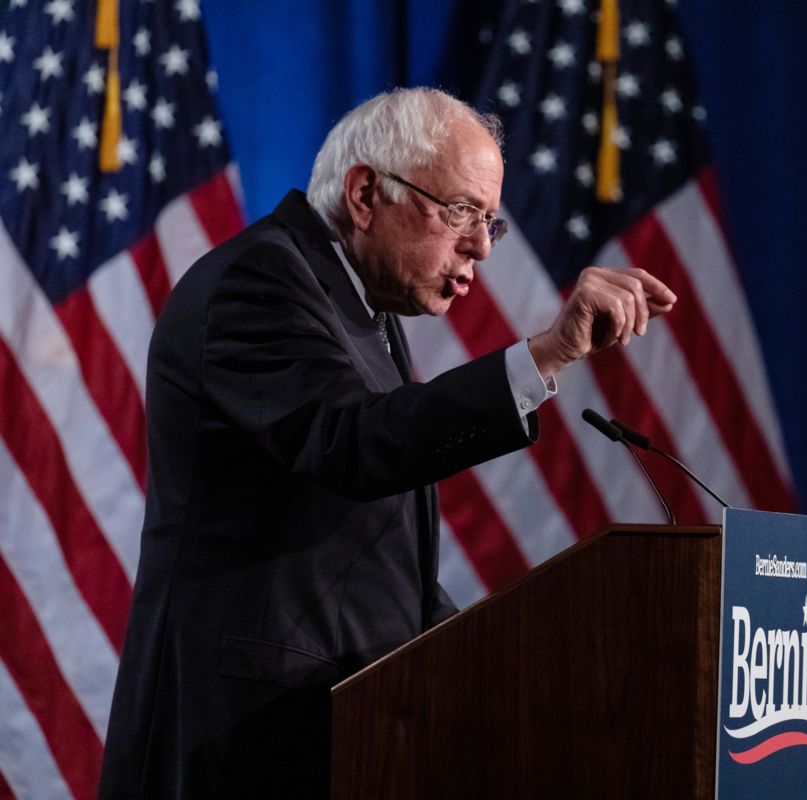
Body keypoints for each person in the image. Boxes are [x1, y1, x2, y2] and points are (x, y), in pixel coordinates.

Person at [98, 87, 675, 799]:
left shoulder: (361, 305)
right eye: (463, 211)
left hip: (335, 734)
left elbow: (375, 554)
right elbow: (355, 444)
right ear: (366, 192)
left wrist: (513, 662)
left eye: (489, 220)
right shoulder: (259, 282)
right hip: (238, 746)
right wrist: (545, 355)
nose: (482, 246)